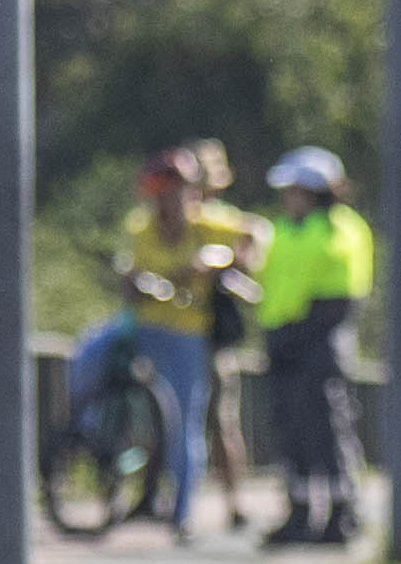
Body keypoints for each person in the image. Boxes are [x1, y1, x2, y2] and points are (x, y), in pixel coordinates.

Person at [59, 145, 262, 542]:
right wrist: (134, 281)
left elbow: (256, 232)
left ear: (189, 191)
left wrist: (233, 261)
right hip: (142, 325)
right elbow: (131, 273)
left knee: (182, 421)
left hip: (186, 332)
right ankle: (87, 432)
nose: (166, 200)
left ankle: (181, 511)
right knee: (88, 351)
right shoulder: (142, 227)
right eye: (160, 192)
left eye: (174, 190)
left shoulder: (211, 224)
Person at [249, 142, 374, 548]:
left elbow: (341, 297)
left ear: (316, 192)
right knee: (289, 430)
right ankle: (299, 513)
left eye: (295, 191)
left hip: (320, 342)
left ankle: (342, 514)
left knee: (327, 428)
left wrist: (299, 335)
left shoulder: (343, 229)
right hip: (282, 342)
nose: (288, 198)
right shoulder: (282, 229)